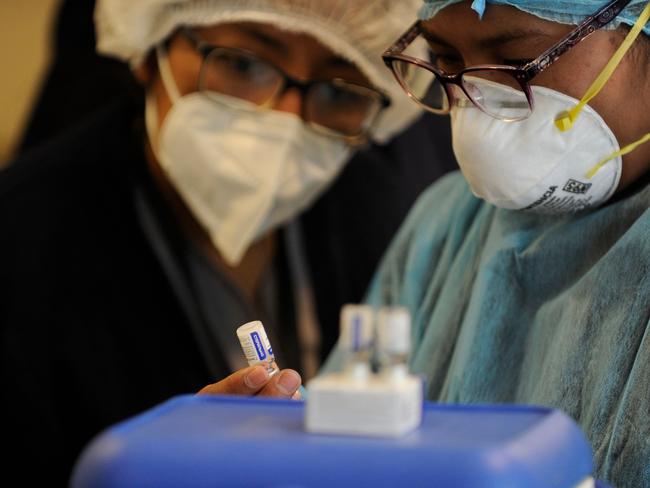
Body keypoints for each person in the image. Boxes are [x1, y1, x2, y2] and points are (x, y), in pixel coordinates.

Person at [0, 1, 460, 485]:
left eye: (337, 89)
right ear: (148, 49)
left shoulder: (387, 216)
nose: (282, 119)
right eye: (243, 64)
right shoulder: (21, 245)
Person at [315, 0, 650, 486]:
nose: (479, 104)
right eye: (448, 61)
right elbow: (348, 451)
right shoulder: (445, 227)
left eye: (515, 66)